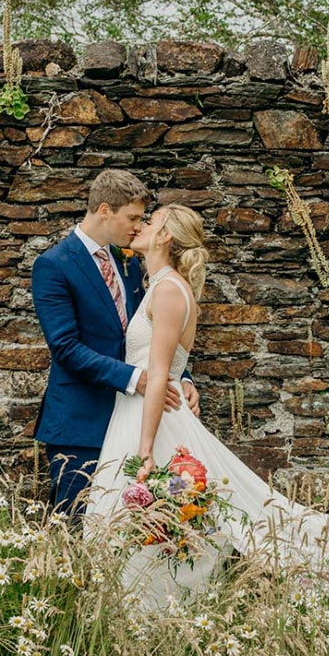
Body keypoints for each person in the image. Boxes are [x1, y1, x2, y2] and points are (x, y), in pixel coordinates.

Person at [80, 203, 329, 612]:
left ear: (165, 236)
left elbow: (158, 374)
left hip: (151, 420)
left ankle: (154, 612)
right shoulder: (158, 285)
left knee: (164, 521)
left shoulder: (170, 289)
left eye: (149, 220)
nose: (140, 226)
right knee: (140, 528)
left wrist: (145, 450)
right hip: (136, 412)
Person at [31, 170, 200, 528]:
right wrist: (135, 378)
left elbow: (147, 333)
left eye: (143, 220)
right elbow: (65, 347)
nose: (138, 228)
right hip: (81, 423)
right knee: (77, 528)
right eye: (133, 218)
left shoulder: (127, 261)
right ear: (105, 210)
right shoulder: (54, 265)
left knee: (129, 530)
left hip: (133, 419)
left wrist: (178, 374)